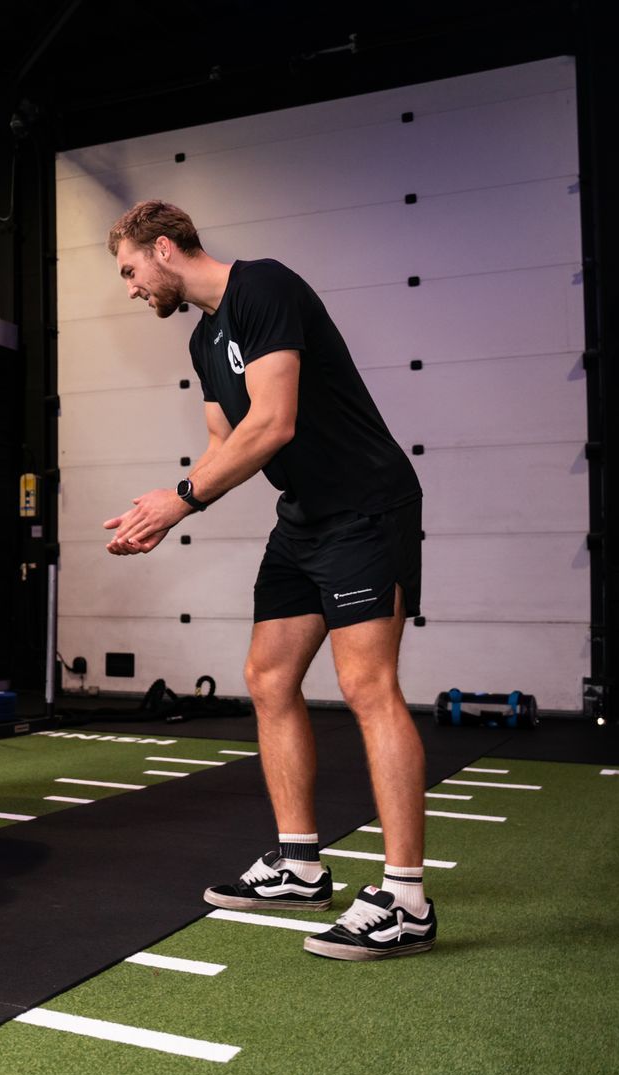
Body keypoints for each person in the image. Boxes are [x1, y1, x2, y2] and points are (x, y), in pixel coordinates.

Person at [102, 200, 432, 960]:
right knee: (269, 676)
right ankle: (298, 862)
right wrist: (167, 513)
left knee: (366, 686)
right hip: (305, 517)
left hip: (365, 504)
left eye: (127, 271)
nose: (128, 288)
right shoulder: (204, 338)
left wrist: (177, 499)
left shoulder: (266, 288)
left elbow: (274, 421)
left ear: (162, 249)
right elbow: (228, 440)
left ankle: (407, 898)